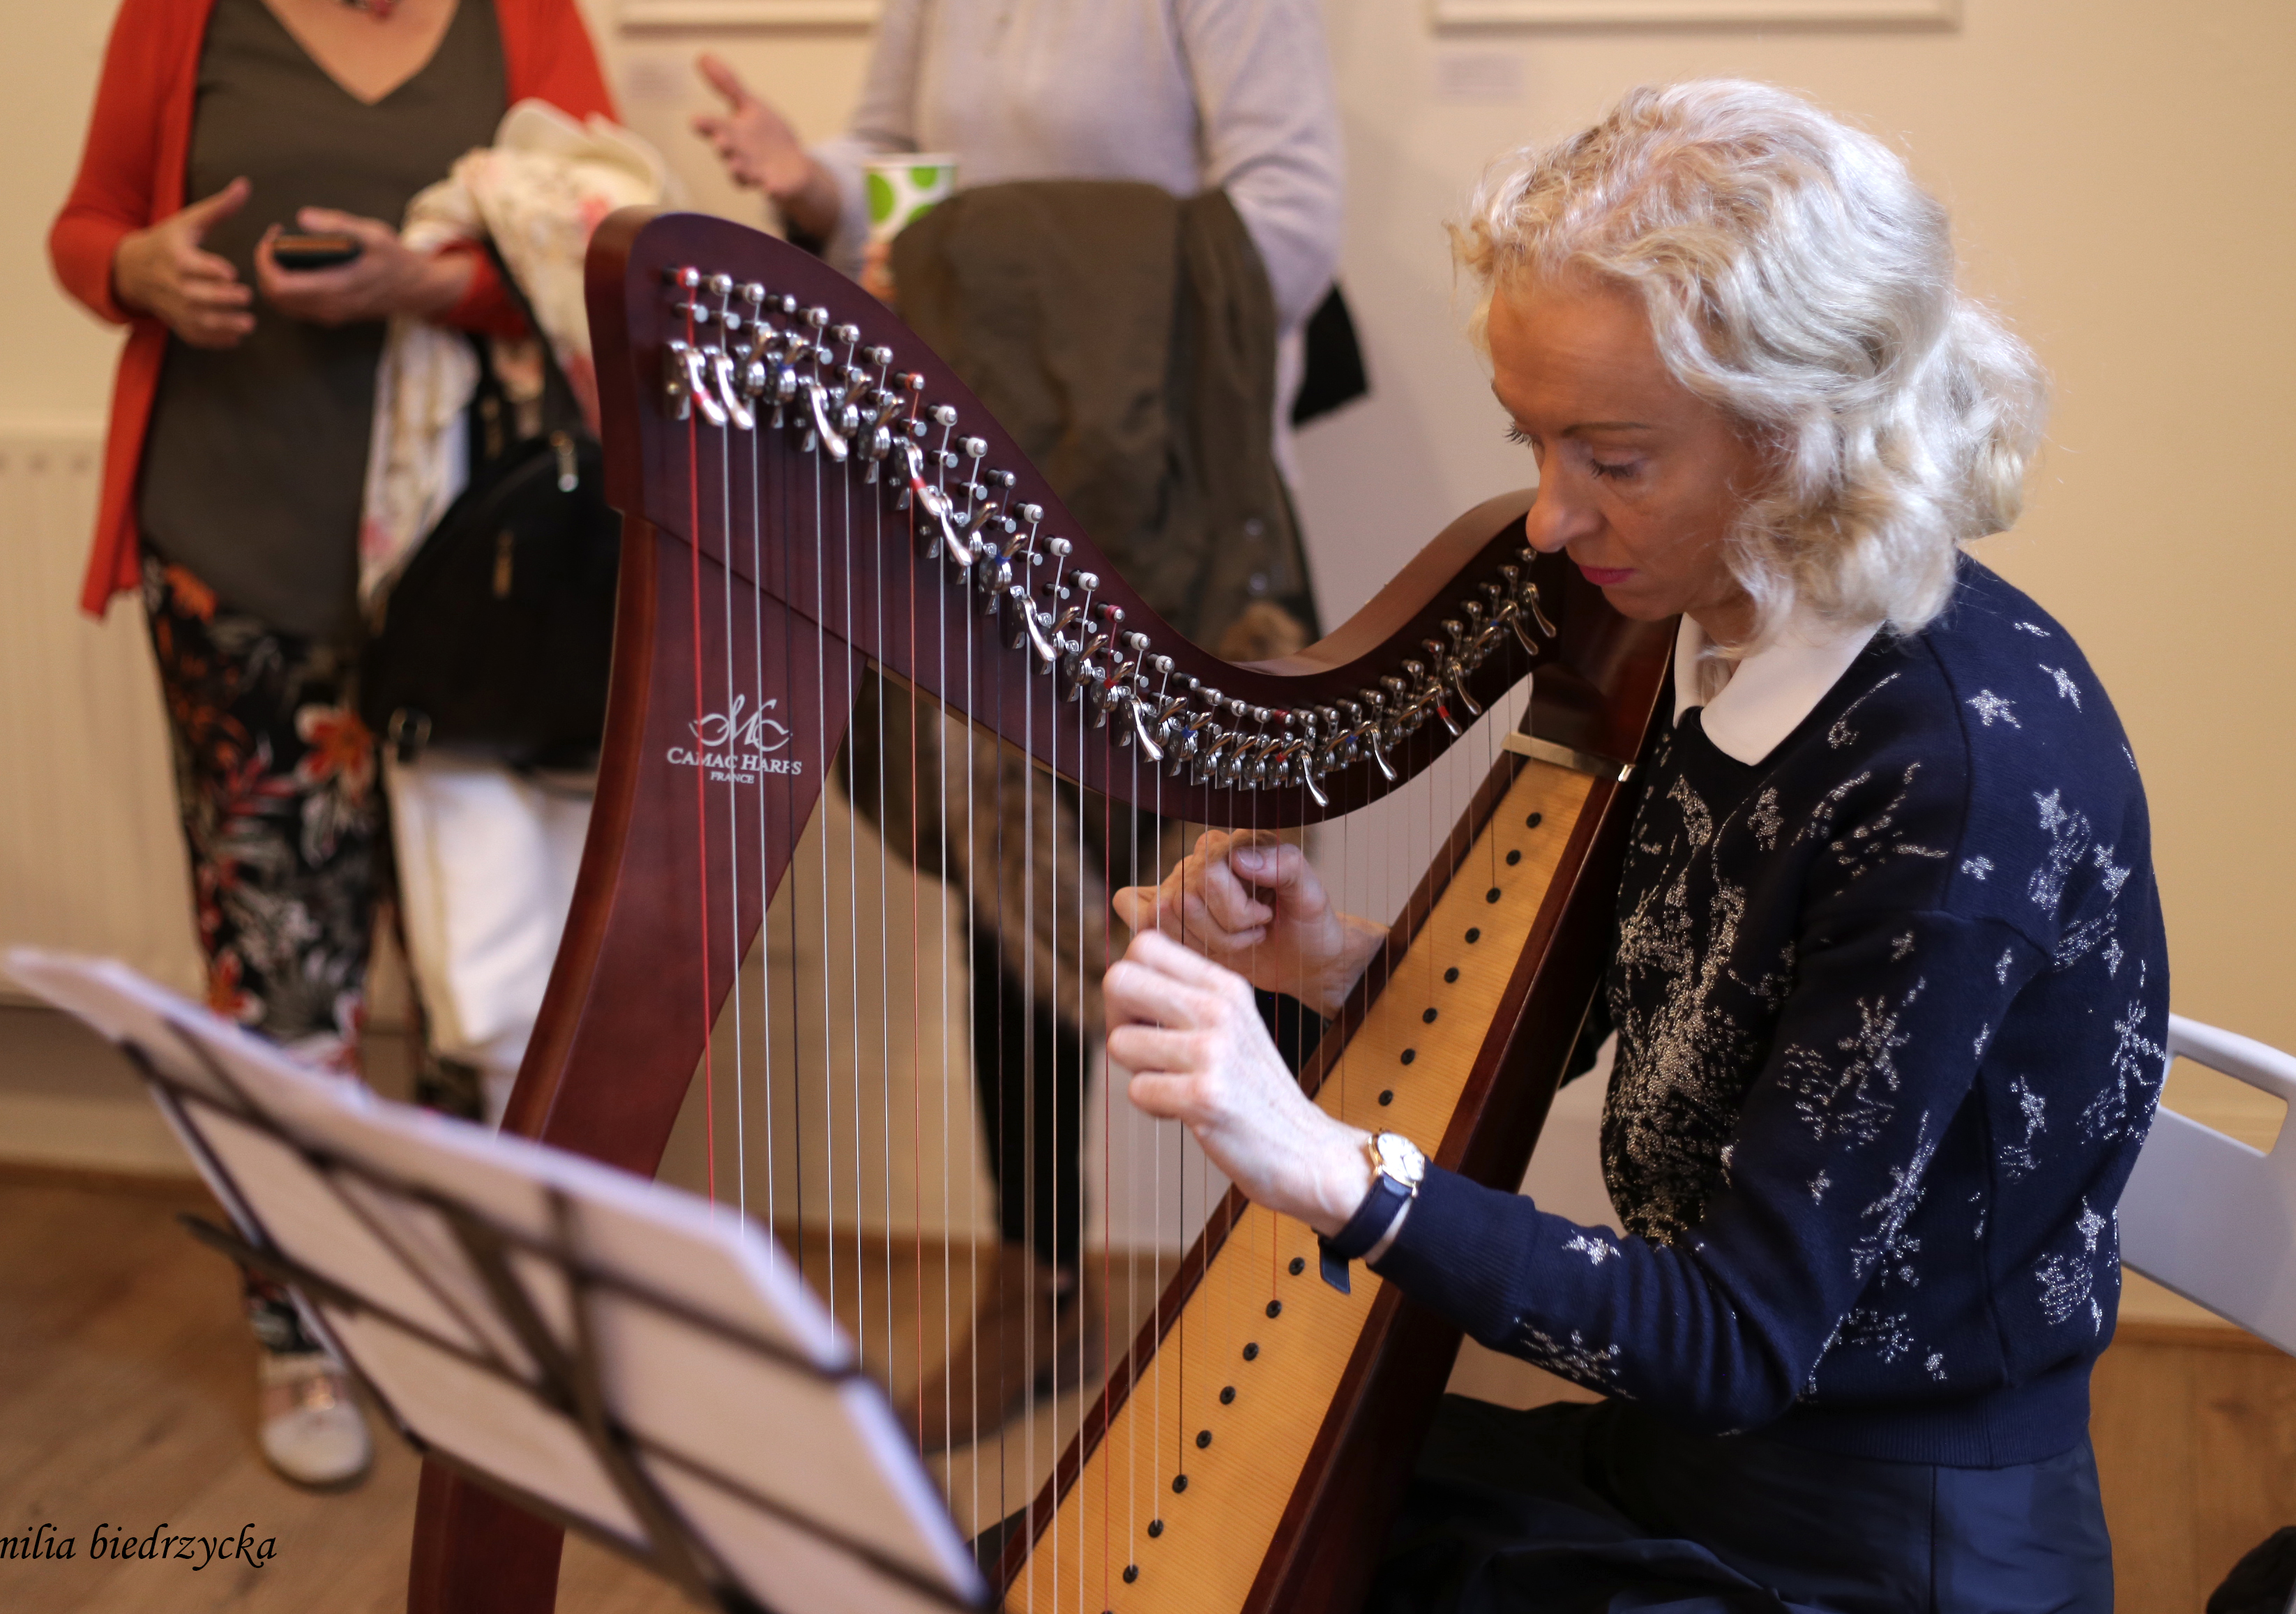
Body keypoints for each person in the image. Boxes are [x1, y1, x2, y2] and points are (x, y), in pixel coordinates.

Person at [1108, 80, 2159, 1611]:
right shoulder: (1729, 620)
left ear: (1801, 436)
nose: (1546, 520)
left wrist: (1330, 1164)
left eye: (1611, 457)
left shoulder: (1947, 778)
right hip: (1694, 1455)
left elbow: (1739, 1336)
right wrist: (1333, 963)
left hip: (1874, 1545)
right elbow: (1665, 993)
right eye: (1532, 441)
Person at [690, 0, 1344, 1449]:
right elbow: (899, 186)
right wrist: (818, 189)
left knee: (1237, 890)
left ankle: (1313, 1293)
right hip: (985, 495)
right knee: (1007, 892)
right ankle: (1037, 1291)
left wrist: (985, 261)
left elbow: (1291, 231)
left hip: (1178, 500)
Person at [50, 0, 613, 1488]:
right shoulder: (184, 15)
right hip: (234, 571)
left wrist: (429, 283)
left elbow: (605, 251)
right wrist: (135, 268)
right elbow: (85, 227)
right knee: (278, 976)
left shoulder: (526, 16)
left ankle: (458, 1324)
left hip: (471, 586)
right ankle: (296, 1326)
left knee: (479, 968)